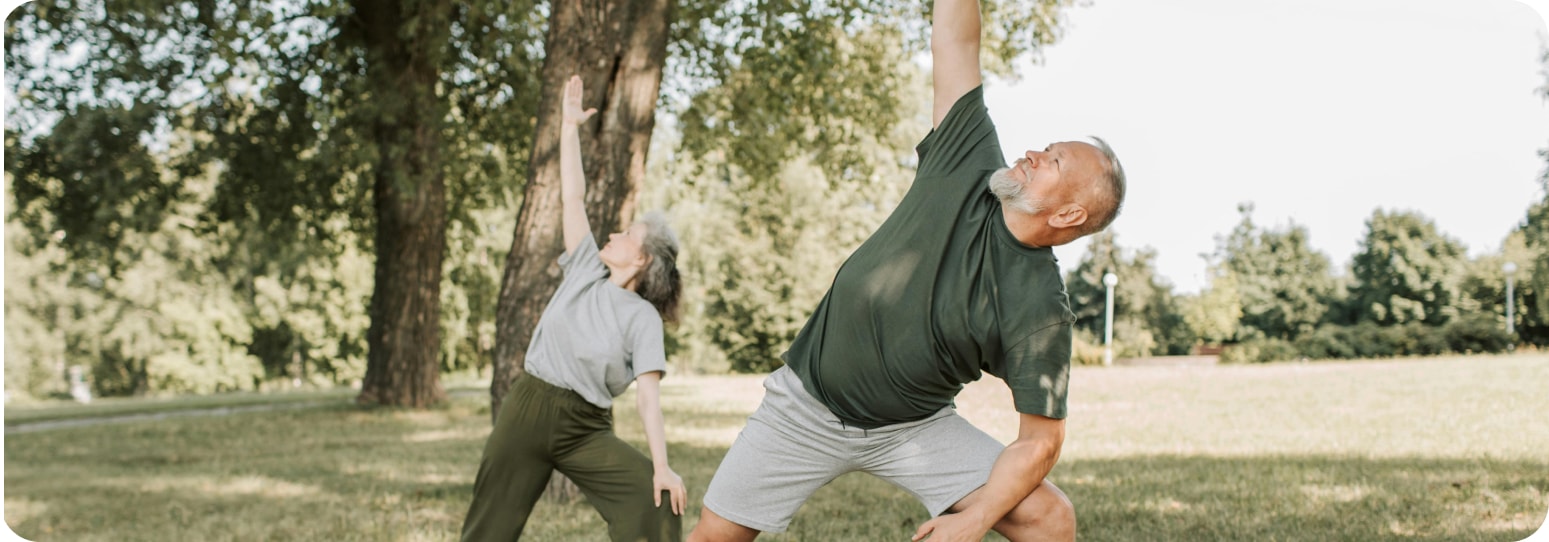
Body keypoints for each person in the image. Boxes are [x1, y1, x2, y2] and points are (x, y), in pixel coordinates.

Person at [686, 0, 1127, 539]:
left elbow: (1041, 441)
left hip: (912, 431)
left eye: (1054, 161)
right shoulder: (966, 162)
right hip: (803, 405)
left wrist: (975, 522)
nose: (1034, 152)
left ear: (1069, 213)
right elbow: (956, 43)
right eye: (1048, 147)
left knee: (1049, 517)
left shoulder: (1039, 309)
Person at [461, 75, 686, 542]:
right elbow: (572, 196)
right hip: (528, 408)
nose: (615, 234)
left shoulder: (642, 318)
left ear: (641, 260)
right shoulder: (585, 268)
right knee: (489, 528)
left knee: (657, 504)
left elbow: (648, 398)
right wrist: (568, 129)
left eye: (627, 235)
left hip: (584, 428)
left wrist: (662, 467)